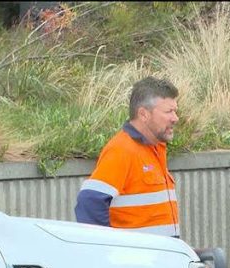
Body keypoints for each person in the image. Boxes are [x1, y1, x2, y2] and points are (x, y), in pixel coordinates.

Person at [74, 76, 181, 237]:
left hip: (158, 258)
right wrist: (108, 250)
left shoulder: (156, 149)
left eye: (175, 111)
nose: (175, 118)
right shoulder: (122, 149)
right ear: (143, 114)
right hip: (137, 260)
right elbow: (89, 201)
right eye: (168, 112)